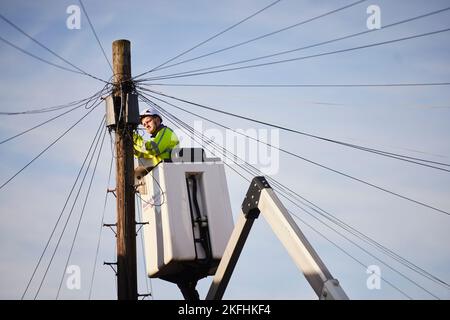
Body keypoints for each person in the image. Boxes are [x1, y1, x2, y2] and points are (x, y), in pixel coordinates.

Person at [133, 108, 200, 300]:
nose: (145, 125)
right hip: (161, 186)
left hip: (172, 183)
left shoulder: (166, 133)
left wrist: (134, 138)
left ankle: (188, 289)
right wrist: (130, 140)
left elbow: (151, 150)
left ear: (157, 119)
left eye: (148, 121)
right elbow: (142, 152)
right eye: (143, 123)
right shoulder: (154, 138)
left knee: (177, 229)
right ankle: (188, 292)